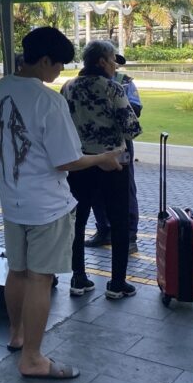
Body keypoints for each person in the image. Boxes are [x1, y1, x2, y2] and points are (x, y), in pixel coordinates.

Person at [0, 26, 122, 380]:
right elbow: (66, 161)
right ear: (43, 60)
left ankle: (17, 335)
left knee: (17, 270)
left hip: (12, 201)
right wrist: (102, 158)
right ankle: (32, 358)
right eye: (58, 64)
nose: (60, 72)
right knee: (39, 279)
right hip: (47, 205)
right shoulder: (48, 101)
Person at [61, 40, 142, 301]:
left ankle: (78, 277)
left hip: (79, 164)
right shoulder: (113, 89)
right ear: (101, 62)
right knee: (118, 222)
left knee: (79, 220)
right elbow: (132, 129)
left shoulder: (67, 87)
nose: (115, 65)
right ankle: (117, 283)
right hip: (112, 164)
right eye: (111, 59)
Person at [84, 54, 143, 253]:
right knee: (94, 192)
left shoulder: (124, 83)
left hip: (119, 144)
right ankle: (104, 230)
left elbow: (136, 108)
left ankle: (129, 236)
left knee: (125, 191)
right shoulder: (81, 82)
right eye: (111, 61)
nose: (114, 65)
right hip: (91, 145)